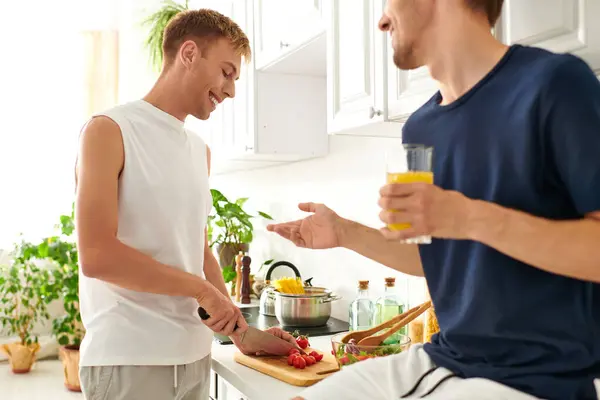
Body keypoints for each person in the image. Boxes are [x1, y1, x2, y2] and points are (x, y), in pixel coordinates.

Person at [268, 0, 600, 399]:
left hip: (536, 380)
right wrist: (344, 232)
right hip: (446, 358)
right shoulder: (420, 128)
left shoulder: (556, 84)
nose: (382, 19)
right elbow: (436, 259)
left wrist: (468, 217)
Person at [75, 9, 295, 400]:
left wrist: (241, 331)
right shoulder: (109, 130)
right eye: (227, 72)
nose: (231, 91)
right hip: (129, 362)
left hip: (195, 360)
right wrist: (200, 291)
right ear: (189, 53)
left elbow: (197, 248)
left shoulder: (199, 151)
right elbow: (96, 254)